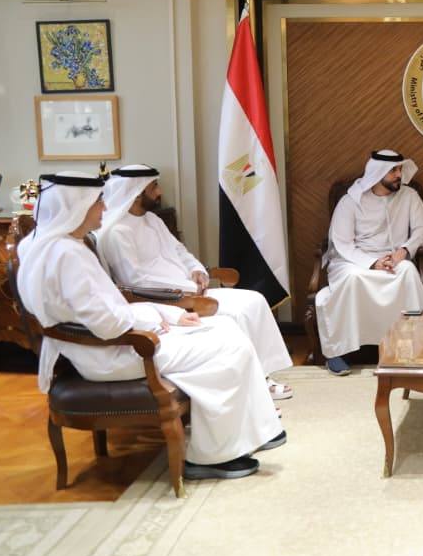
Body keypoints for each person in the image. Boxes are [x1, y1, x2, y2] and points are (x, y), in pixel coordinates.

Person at [16, 172, 283, 481]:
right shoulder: (67, 254)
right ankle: (211, 457)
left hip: (111, 345)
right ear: (77, 206)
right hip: (113, 354)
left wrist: (168, 316)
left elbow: (109, 309)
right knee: (229, 346)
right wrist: (156, 319)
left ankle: (249, 433)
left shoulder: (45, 246)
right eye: (98, 202)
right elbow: (108, 324)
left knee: (224, 331)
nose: (105, 208)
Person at [96, 164, 294, 401]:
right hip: (169, 300)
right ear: (137, 193)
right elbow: (136, 282)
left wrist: (197, 270)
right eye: (154, 187)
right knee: (237, 314)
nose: (159, 192)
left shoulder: (152, 220)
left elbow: (179, 251)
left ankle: (263, 375)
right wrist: (188, 289)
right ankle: (254, 385)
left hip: (191, 290)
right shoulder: (117, 232)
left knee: (255, 300)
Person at [315, 150, 423, 376]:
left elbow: (422, 229)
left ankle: (416, 346)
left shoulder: (409, 196)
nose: (399, 175)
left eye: (400, 169)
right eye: (393, 171)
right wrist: (372, 263)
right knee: (353, 278)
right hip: (353, 260)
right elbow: (342, 243)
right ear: (377, 173)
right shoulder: (350, 201)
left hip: (394, 258)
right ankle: (338, 352)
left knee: (408, 271)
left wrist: (404, 251)